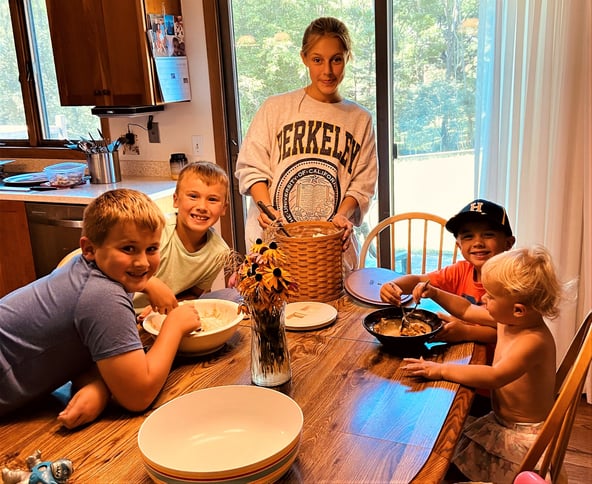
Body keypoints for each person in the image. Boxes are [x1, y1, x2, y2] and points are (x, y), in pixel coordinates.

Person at [0, 189, 201, 429]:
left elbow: (77, 343)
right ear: (90, 249)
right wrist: (174, 327)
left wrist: (100, 386)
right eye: (128, 249)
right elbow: (137, 396)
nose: (143, 262)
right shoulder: (103, 296)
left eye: (151, 249)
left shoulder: (86, 271)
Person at [402, 245, 563, 484]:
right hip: (499, 421)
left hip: (522, 438)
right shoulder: (510, 320)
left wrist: (440, 370)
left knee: (442, 458)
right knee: (445, 448)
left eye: (490, 296)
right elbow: (466, 309)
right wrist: (435, 293)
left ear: (518, 309)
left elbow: (494, 376)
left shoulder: (533, 341)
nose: (483, 299)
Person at [235, 16, 378, 271]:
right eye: (317, 60)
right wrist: (267, 209)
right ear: (304, 58)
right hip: (275, 247)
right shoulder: (275, 108)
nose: (328, 71)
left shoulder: (360, 119)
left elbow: (363, 184)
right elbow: (251, 167)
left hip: (331, 249)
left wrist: (341, 216)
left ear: (347, 57)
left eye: (336, 59)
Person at [380, 199, 516, 346]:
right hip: (459, 350)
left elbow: (509, 331)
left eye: (488, 234)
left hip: (493, 364)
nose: (478, 242)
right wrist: (393, 285)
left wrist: (466, 332)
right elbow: (419, 279)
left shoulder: (515, 282)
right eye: (468, 236)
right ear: (459, 245)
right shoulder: (461, 270)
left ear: (508, 243)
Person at [134, 161, 230, 318]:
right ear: (176, 200)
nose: (202, 206)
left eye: (212, 199)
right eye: (193, 196)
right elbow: (114, 269)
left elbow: (193, 294)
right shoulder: (156, 230)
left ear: (224, 208)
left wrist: (164, 308)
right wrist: (150, 284)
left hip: (154, 317)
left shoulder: (219, 253)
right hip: (116, 307)